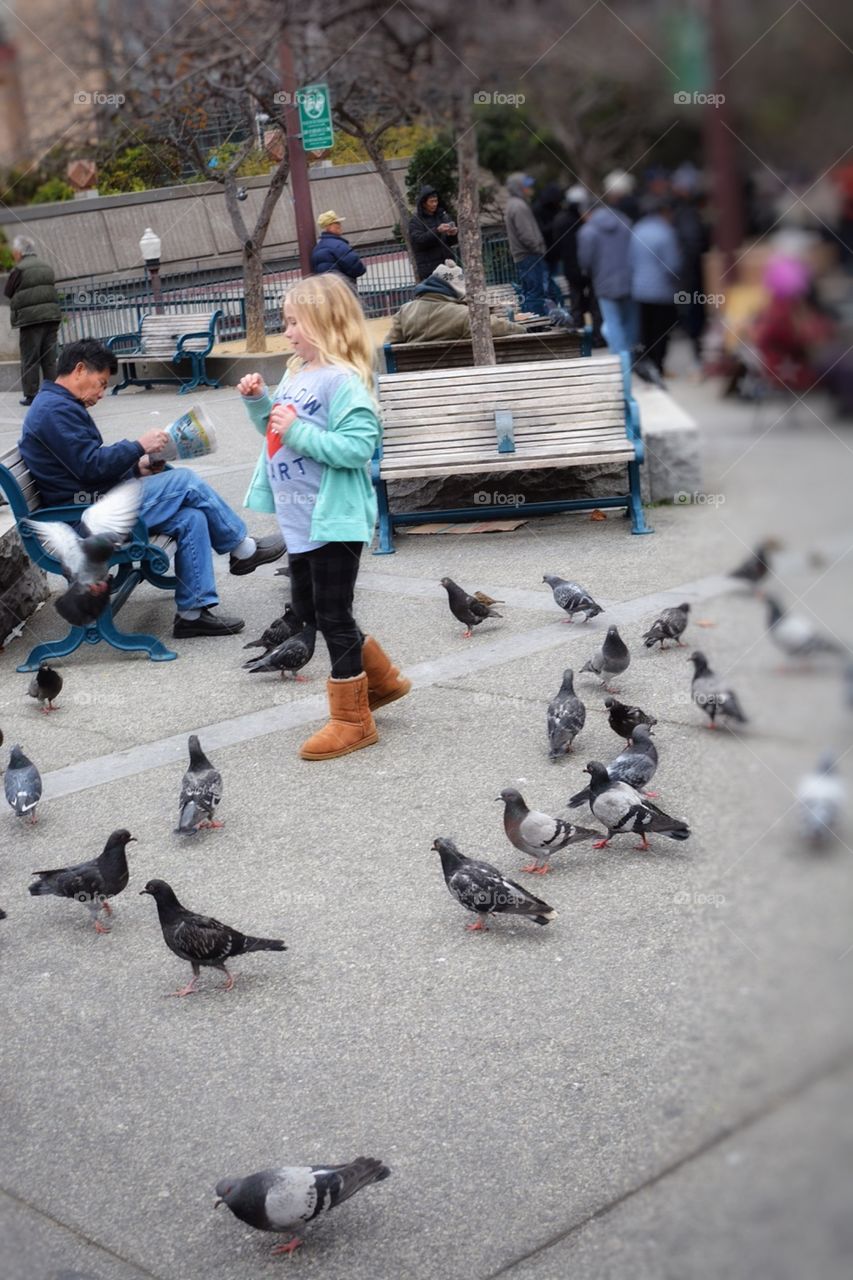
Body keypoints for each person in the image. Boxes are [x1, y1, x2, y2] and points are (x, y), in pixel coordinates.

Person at [237, 273, 410, 762]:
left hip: (334, 520)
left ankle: (352, 720)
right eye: (285, 321)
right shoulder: (297, 374)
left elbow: (358, 449)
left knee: (332, 616)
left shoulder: (344, 380)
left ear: (325, 323)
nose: (287, 331)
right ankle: (382, 679)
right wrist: (259, 405)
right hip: (300, 521)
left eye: (295, 322)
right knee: (310, 611)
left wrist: (295, 432)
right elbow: (278, 431)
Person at [19, 339, 285, 638]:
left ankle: (192, 613)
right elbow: (90, 466)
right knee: (185, 482)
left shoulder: (58, 405)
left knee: (191, 517)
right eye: (101, 383)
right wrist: (137, 446)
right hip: (86, 517)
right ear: (79, 370)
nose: (102, 394)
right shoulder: (54, 410)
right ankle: (242, 549)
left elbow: (85, 468)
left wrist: (138, 466)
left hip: (94, 504)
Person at [384, 260, 525, 344]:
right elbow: (501, 327)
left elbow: (389, 344)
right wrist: (524, 329)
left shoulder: (404, 311)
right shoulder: (463, 315)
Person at [577, 181, 637, 356]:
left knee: (612, 321)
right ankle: (632, 356)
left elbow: (585, 261)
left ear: (587, 213)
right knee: (629, 321)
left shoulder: (588, 231)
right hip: (629, 279)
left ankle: (620, 359)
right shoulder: (625, 221)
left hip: (604, 282)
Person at [3, 235, 62, 407]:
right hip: (51, 317)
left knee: (30, 358)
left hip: (31, 320)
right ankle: (55, 392)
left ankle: (31, 395)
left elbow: (8, 291)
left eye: (14, 251)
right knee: (49, 358)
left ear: (19, 252)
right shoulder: (46, 266)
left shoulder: (19, 269)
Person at [629, 198, 682, 376]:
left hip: (639, 289)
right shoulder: (666, 232)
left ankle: (645, 363)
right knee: (662, 331)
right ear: (663, 212)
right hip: (662, 290)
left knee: (645, 330)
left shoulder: (637, 230)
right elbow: (673, 265)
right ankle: (658, 366)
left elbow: (631, 260)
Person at [504, 173, 549, 316]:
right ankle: (536, 325)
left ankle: (531, 323)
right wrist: (538, 248)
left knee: (528, 290)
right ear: (519, 188)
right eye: (527, 186)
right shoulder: (519, 206)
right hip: (529, 255)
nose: (531, 189)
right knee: (535, 291)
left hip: (524, 256)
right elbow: (526, 235)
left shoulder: (514, 204)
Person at [408, 187, 458, 282]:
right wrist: (437, 230)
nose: (435, 204)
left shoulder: (443, 216)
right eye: (431, 201)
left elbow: (451, 242)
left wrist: (453, 234)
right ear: (423, 203)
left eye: (436, 201)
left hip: (448, 265)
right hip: (430, 270)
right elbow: (419, 242)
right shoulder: (415, 221)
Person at [310, 211, 366, 291]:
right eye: (337, 223)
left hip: (327, 292)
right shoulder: (339, 245)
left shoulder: (317, 249)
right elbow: (358, 269)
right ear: (329, 226)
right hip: (344, 291)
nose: (340, 225)